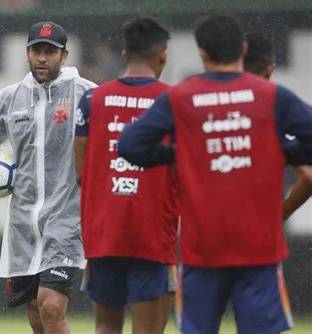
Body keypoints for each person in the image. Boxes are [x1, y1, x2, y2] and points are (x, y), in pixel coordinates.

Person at [118, 11, 312, 334]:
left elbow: (129, 146)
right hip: (259, 248)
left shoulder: (182, 97)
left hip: (202, 249)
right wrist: (278, 148)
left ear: (203, 53)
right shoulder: (271, 96)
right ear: (243, 51)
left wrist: (177, 153)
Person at [0, 21, 97, 334]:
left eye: (50, 52)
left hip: (67, 221)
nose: (42, 58)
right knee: (35, 313)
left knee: (51, 304)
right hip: (22, 228)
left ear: (64, 55)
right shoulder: (9, 99)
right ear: (27, 53)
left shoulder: (87, 95)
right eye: (37, 51)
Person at [73, 16, 177, 334]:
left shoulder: (93, 99)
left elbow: (81, 172)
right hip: (152, 233)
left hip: (104, 230)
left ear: (124, 56)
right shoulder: (174, 101)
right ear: (163, 56)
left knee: (105, 326)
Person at [244, 31, 312, 219]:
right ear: (269, 70)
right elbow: (308, 175)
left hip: (210, 234)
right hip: (263, 233)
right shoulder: (277, 108)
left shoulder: (206, 106)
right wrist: (285, 211)